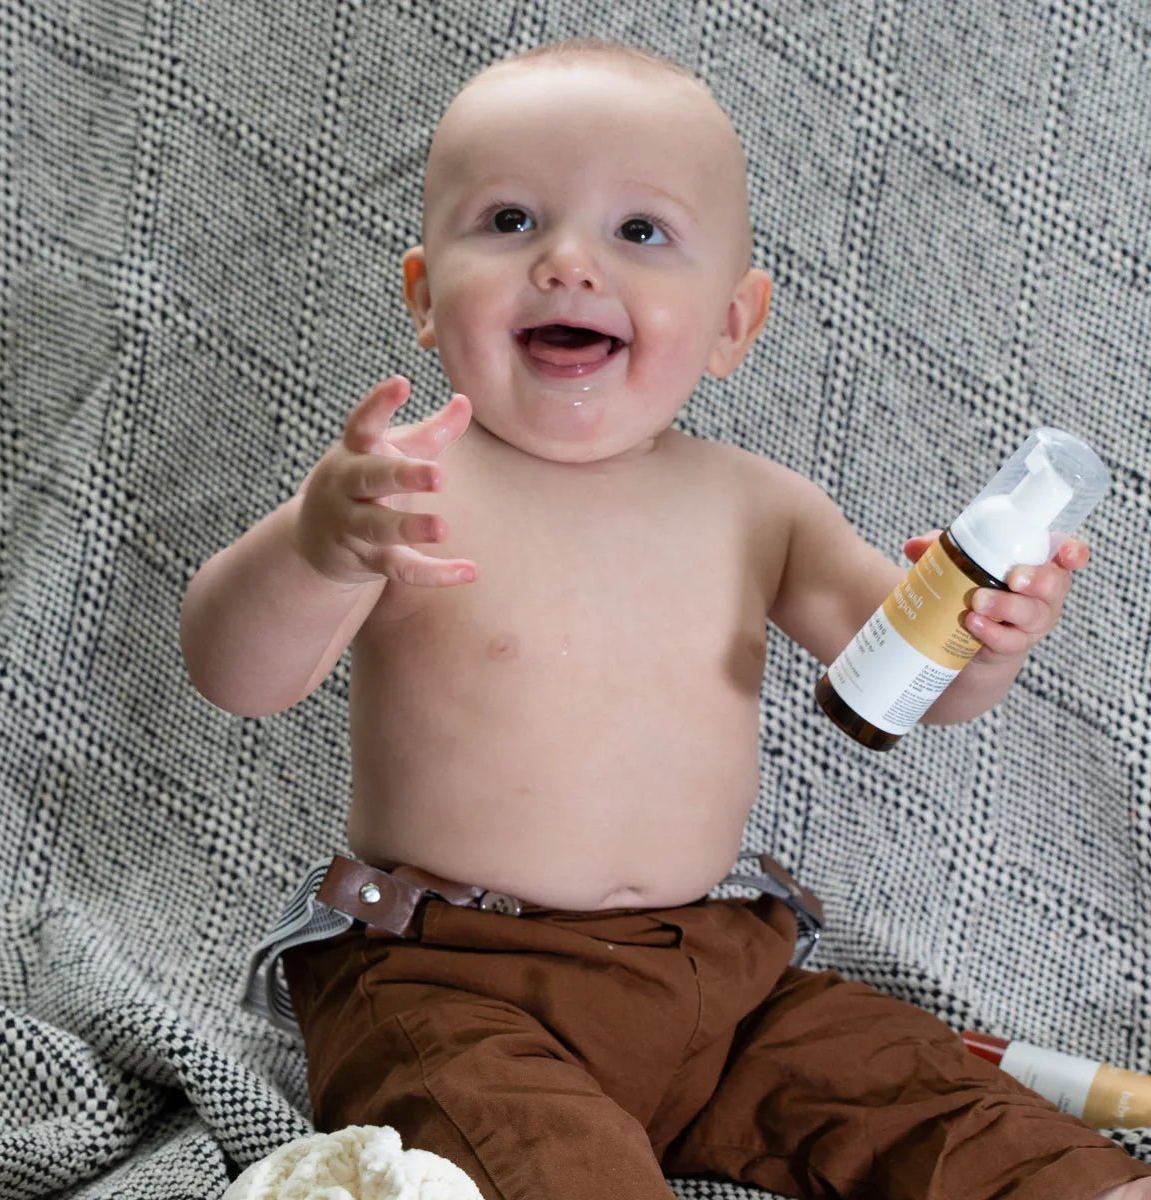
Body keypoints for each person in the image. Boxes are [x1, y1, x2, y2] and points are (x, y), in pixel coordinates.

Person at [179, 38, 1151, 1200]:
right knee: (526, 1155)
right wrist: (316, 549)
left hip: (721, 980)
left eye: (639, 233)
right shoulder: (405, 491)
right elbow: (237, 672)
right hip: (451, 983)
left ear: (734, 323)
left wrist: (987, 636)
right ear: (426, 299)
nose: (569, 263)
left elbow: (910, 680)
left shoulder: (760, 506)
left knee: (915, 1088)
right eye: (510, 221)